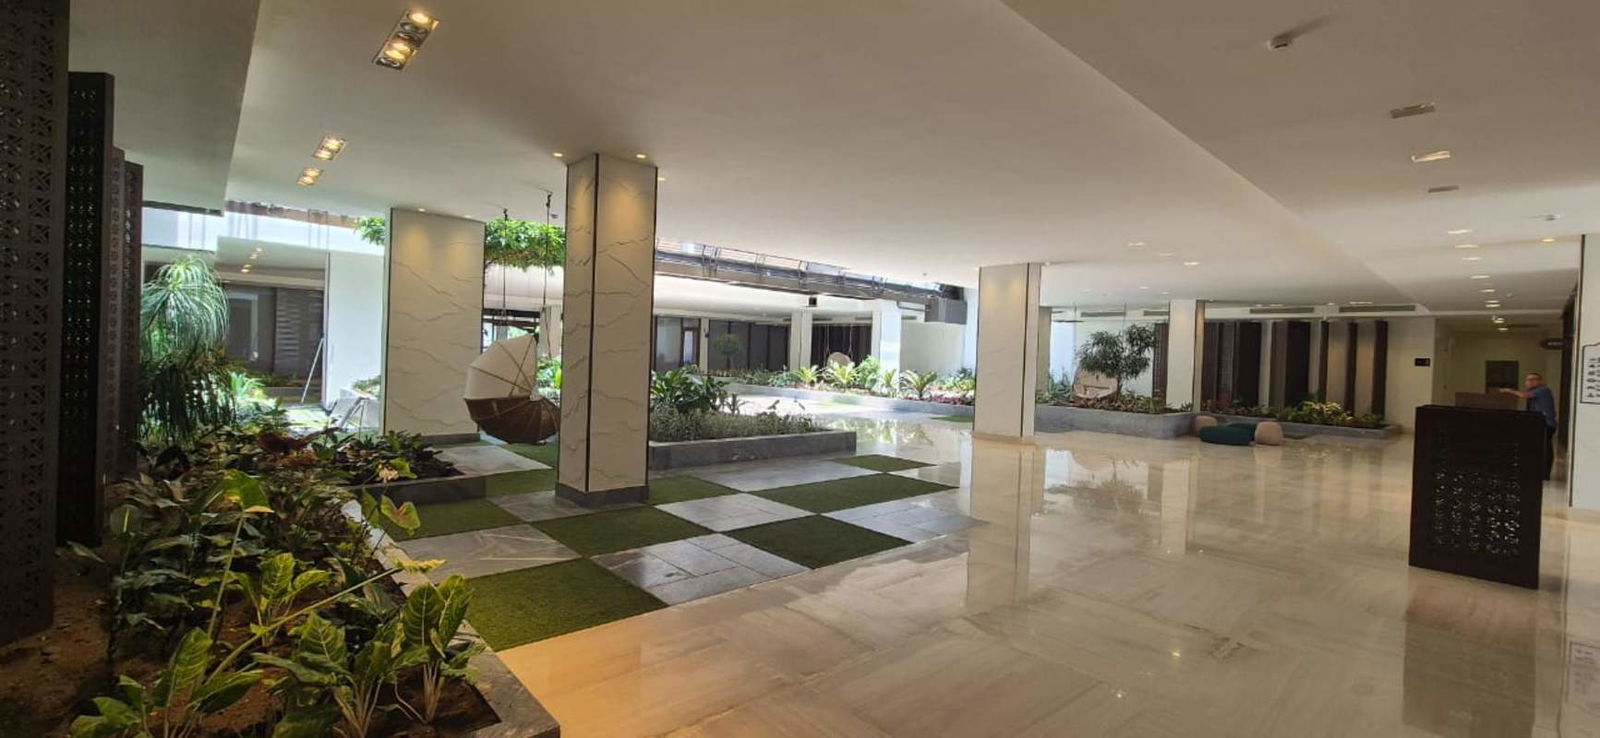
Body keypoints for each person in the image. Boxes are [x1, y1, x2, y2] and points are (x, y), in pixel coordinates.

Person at [1499, 372, 1558, 480]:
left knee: (1545, 449)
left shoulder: (1543, 390)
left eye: (1533, 379)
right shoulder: (1534, 391)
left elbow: (1524, 395)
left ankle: (1545, 474)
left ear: (1540, 381)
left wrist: (1509, 391)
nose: (1529, 382)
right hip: (1538, 424)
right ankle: (1539, 471)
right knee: (1539, 448)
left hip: (1546, 424)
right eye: (1527, 380)